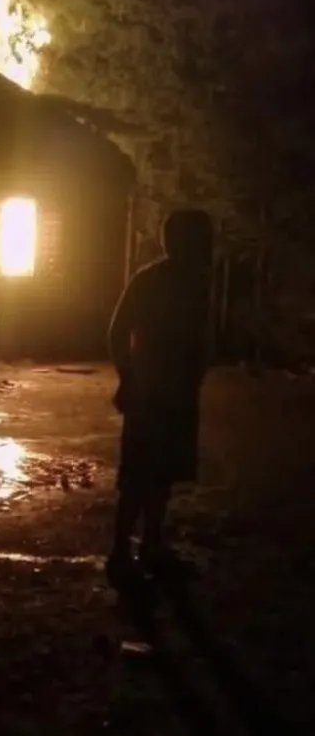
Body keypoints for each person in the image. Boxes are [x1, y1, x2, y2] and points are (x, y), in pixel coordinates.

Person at [106, 209, 214, 584]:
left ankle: (151, 545)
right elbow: (117, 330)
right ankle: (121, 551)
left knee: (162, 474)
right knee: (138, 475)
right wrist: (128, 377)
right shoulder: (151, 280)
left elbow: (198, 339)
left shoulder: (195, 283)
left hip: (178, 394)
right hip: (150, 394)